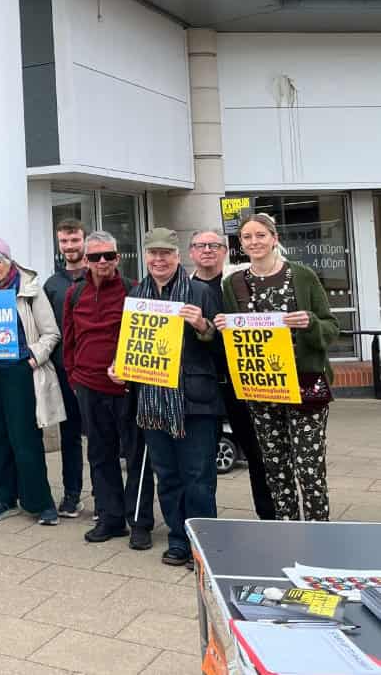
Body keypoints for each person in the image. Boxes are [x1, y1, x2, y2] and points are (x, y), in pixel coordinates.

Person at [215, 213, 339, 521]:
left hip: (304, 383)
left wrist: (310, 322)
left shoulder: (302, 275)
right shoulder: (234, 284)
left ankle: (319, 531)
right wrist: (219, 327)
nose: (254, 242)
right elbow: (235, 338)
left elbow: (331, 326)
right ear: (240, 244)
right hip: (262, 386)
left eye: (260, 235)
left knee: (309, 467)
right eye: (247, 237)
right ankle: (287, 530)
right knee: (275, 467)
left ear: (274, 239)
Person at [127, 229, 222, 567]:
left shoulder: (201, 291)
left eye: (166, 253)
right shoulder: (137, 295)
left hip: (194, 401)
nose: (159, 259)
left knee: (197, 477)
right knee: (167, 476)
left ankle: (204, 545)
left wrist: (202, 326)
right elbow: (132, 347)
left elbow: (222, 346)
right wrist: (119, 366)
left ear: (178, 256)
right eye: (153, 253)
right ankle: (178, 540)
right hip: (153, 402)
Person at [62, 231, 155, 550]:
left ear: (118, 257)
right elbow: (69, 339)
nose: (103, 262)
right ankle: (110, 518)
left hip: (127, 388)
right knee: (100, 456)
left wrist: (132, 375)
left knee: (136, 456)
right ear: (85, 260)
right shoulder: (74, 294)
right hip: (88, 387)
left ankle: (139, 521)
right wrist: (74, 377)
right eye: (95, 257)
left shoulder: (134, 290)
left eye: (109, 255)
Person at [0, 240, 61, 526]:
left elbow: (51, 334)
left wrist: (33, 357)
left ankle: (39, 501)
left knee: (24, 438)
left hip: (18, 371)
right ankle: (1, 497)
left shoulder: (29, 290)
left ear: (9, 261)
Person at [188, 229, 275, 521]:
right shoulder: (182, 290)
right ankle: (203, 526)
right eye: (201, 246)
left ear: (225, 251)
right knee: (200, 464)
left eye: (214, 245)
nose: (208, 250)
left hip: (244, 385)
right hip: (202, 387)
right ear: (191, 253)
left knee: (257, 456)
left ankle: (270, 520)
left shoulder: (241, 283)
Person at [41, 219, 89, 518]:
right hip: (63, 370)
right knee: (70, 436)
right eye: (64, 242)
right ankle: (72, 495)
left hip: (96, 370)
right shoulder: (52, 284)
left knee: (101, 437)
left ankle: (105, 496)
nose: (69, 247)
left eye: (74, 240)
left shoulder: (100, 275)